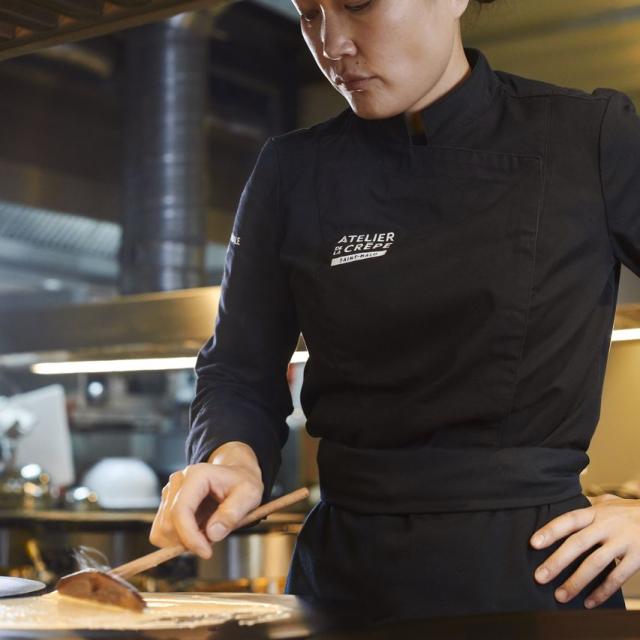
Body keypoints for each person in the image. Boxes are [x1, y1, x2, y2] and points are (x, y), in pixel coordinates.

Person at [150, 0, 640, 621]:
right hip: (343, 577)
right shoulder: (291, 170)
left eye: (357, 4)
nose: (332, 44)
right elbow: (239, 370)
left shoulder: (589, 137)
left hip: (534, 574)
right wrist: (232, 460)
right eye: (308, 14)